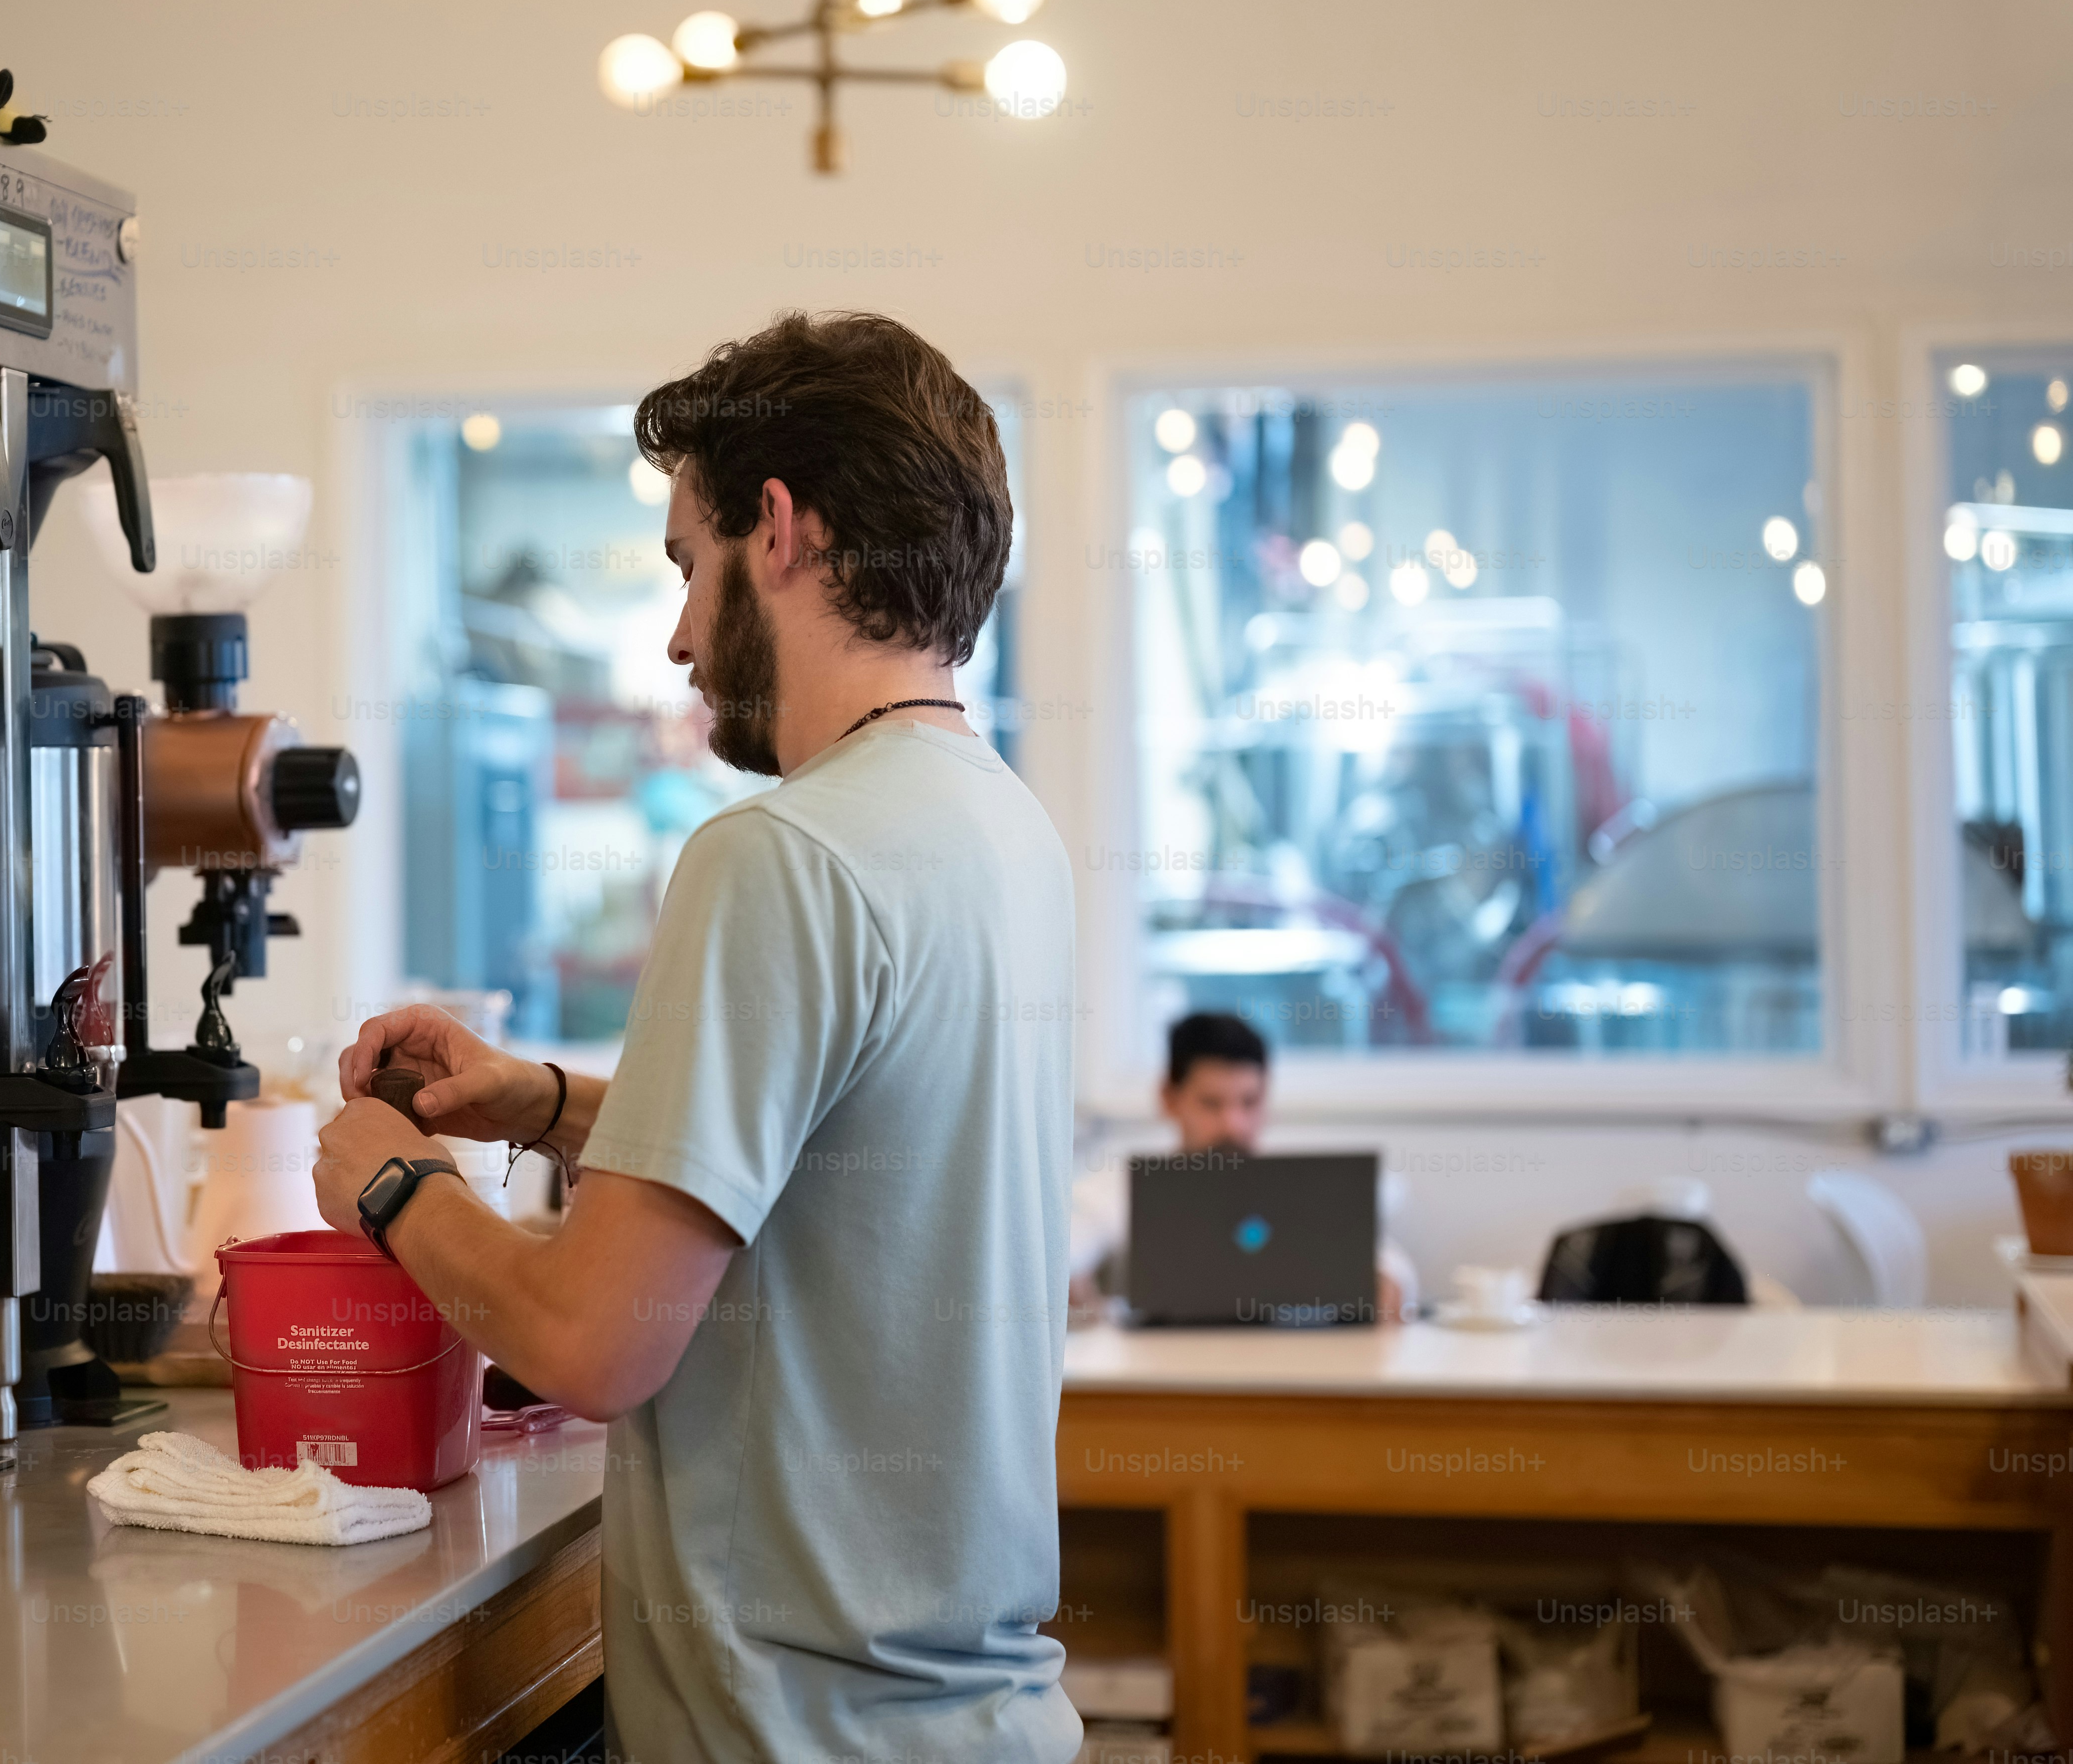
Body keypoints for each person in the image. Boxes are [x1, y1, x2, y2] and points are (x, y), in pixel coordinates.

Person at [312, 311, 1082, 1762]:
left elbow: (591, 1344)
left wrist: (384, 1180)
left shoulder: (776, 853)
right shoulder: (994, 825)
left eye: (685, 563)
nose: (675, 636)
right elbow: (858, 1148)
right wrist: (540, 1104)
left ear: (778, 532)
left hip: (794, 1732)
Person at [1066, 1010, 1419, 1319]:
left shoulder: (1307, 1188)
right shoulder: (1117, 1186)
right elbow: (1068, 1251)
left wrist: (1387, 1283)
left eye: (1249, 1102)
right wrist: (1070, 1282)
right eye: (1212, 1104)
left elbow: (1391, 1272)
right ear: (1169, 1099)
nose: (1233, 1124)